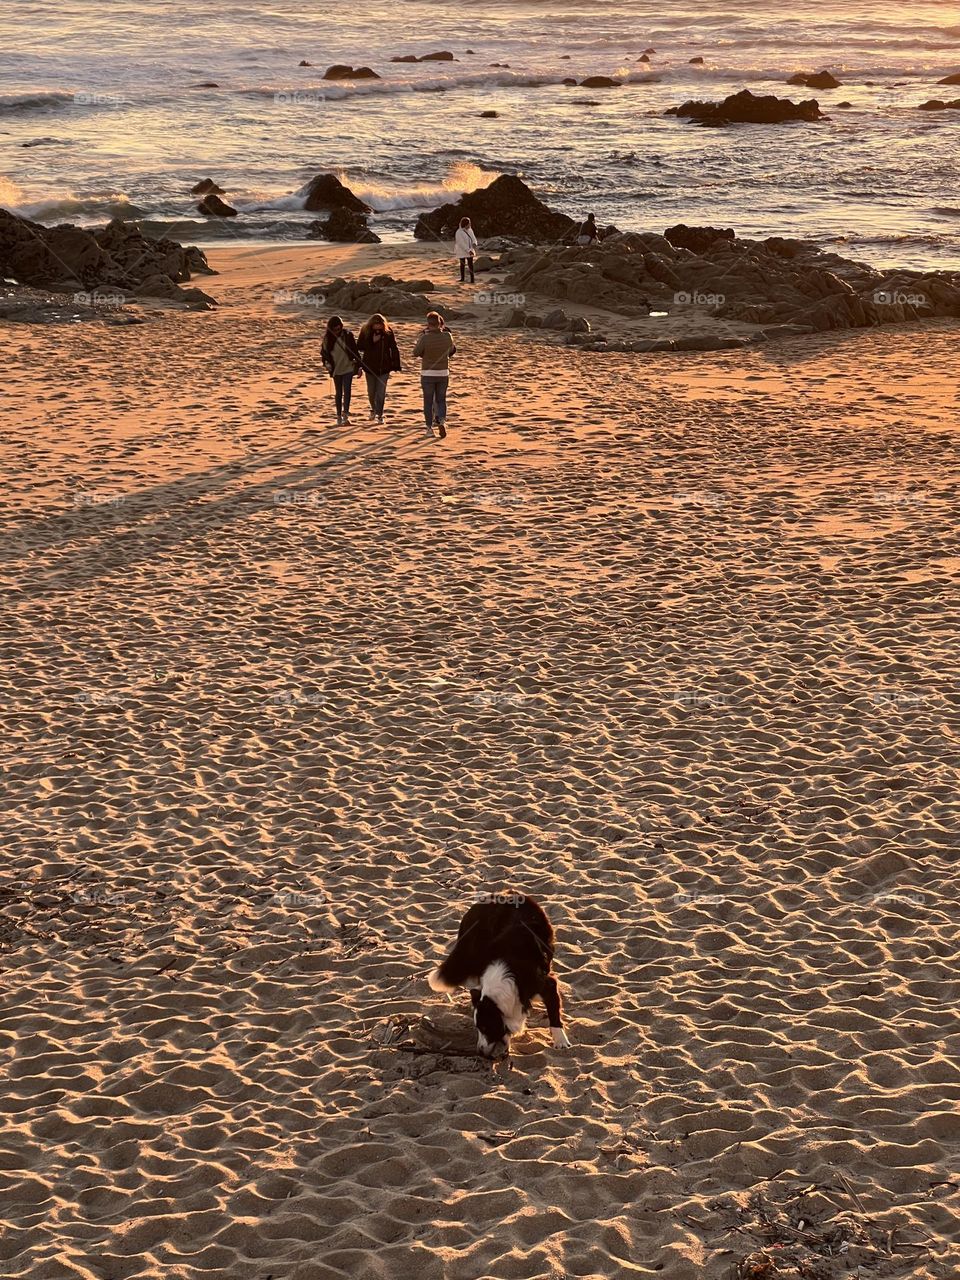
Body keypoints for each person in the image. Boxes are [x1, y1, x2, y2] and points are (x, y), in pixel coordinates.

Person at [413, 310, 456, 438]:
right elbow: (451, 350)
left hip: (428, 372)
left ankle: (429, 428)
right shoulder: (448, 336)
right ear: (439, 323)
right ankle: (442, 420)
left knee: (428, 401)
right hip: (443, 372)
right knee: (441, 399)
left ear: (428, 324)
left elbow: (416, 352)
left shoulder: (425, 338)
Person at [357, 313, 402, 423]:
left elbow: (394, 347)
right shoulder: (365, 331)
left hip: (384, 367)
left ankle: (380, 415)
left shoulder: (388, 332)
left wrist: (396, 364)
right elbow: (359, 346)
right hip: (369, 367)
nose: (378, 327)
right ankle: (373, 409)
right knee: (371, 392)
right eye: (375, 325)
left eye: (380, 324)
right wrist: (372, 341)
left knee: (381, 393)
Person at [321, 315, 361, 425]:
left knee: (347, 391)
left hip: (348, 368)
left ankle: (345, 414)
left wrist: (359, 367)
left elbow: (355, 352)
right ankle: (338, 415)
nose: (337, 331)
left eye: (339, 329)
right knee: (339, 393)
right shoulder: (327, 339)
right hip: (336, 369)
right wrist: (327, 364)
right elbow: (324, 355)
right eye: (335, 329)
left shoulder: (348, 335)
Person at [454, 216, 478, 284]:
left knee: (470, 264)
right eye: (469, 223)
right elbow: (460, 243)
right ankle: (462, 278)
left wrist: (475, 243)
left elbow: (473, 238)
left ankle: (472, 279)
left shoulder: (470, 230)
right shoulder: (458, 232)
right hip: (461, 250)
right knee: (462, 263)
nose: (470, 225)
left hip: (470, 248)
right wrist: (468, 250)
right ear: (465, 224)